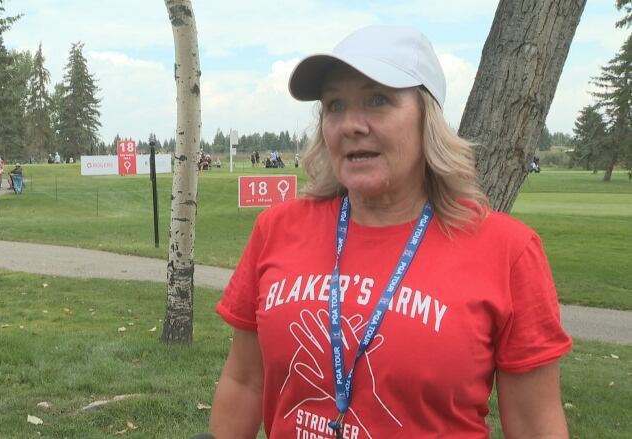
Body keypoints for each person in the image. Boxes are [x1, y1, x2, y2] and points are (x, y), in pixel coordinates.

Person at [209, 25, 572, 439]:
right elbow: (244, 381)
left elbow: (534, 423)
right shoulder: (277, 228)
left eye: (378, 100)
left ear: (427, 118)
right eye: (335, 105)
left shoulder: (508, 251)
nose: (351, 125)